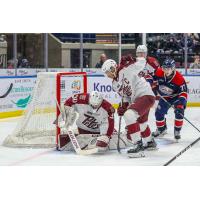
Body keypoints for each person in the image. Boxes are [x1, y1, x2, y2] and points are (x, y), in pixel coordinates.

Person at [102, 57, 157, 158]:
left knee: (129, 115)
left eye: (108, 72)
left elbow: (142, 62)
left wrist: (133, 59)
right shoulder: (114, 84)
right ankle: (150, 142)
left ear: (113, 68)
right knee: (141, 124)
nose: (107, 75)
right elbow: (125, 96)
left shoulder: (126, 70)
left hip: (146, 95)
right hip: (137, 100)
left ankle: (138, 146)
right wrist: (124, 105)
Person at [150, 58, 188, 141]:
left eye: (168, 68)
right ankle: (161, 129)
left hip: (176, 97)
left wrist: (181, 103)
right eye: (164, 68)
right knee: (158, 113)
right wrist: (151, 85)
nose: (166, 70)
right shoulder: (159, 72)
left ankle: (177, 131)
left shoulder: (179, 78)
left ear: (173, 68)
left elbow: (184, 92)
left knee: (180, 111)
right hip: (165, 97)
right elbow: (151, 78)